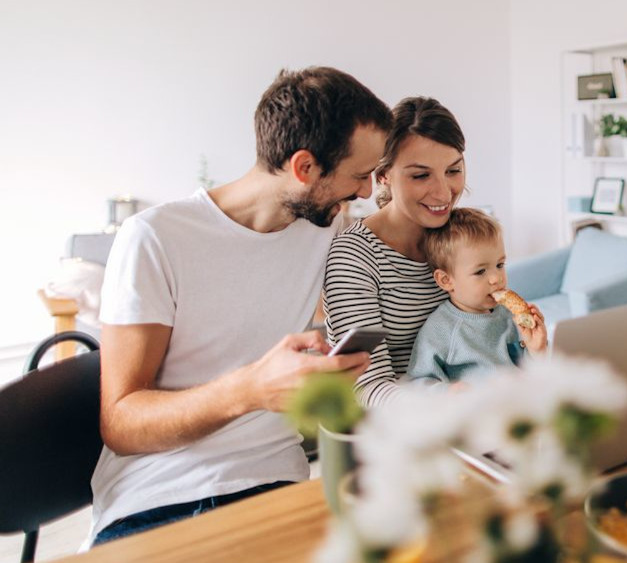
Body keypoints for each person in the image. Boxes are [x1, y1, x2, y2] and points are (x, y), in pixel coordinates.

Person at [90, 66, 392, 545]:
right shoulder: (155, 238)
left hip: (277, 490)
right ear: (304, 168)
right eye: (359, 176)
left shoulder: (323, 230)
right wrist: (251, 389)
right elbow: (121, 424)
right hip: (161, 500)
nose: (366, 192)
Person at [324, 96, 465, 407]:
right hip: (398, 430)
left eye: (453, 170)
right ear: (382, 175)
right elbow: (368, 385)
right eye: (420, 175)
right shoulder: (355, 256)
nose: (443, 193)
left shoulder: (463, 236)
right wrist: (445, 402)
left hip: (470, 416)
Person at [406, 208, 547, 387]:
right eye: (480, 271)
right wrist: (447, 392)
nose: (497, 278)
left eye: (499, 264)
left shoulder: (509, 316)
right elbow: (417, 382)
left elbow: (531, 372)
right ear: (446, 280)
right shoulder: (440, 329)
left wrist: (537, 350)